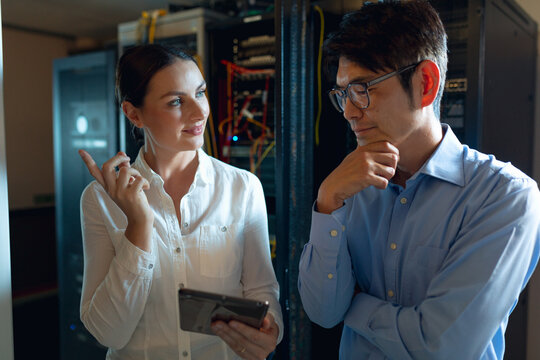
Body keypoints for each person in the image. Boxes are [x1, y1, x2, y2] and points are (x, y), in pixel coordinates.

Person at [297, 1, 540, 359]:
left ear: (425, 83)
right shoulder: (347, 188)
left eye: (363, 88)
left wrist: (354, 305)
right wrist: (327, 201)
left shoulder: (505, 196)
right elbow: (322, 312)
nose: (349, 111)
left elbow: (441, 347)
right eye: (343, 93)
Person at [78, 44, 282, 360]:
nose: (199, 112)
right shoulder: (100, 200)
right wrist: (139, 226)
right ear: (134, 113)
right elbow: (109, 333)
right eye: (176, 101)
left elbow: (261, 292)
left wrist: (271, 330)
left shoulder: (243, 188)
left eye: (200, 93)